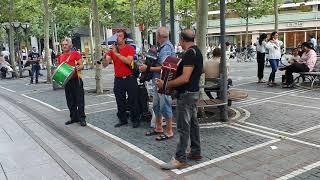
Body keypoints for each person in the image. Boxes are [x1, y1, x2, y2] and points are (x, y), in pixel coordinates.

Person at [157, 29, 203, 170]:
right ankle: (195, 151)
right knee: (194, 124)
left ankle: (180, 158)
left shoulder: (189, 54)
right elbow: (201, 71)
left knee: (183, 127)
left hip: (187, 95)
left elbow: (185, 77)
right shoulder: (198, 52)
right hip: (194, 93)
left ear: (182, 39)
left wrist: (166, 84)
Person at [140, 27, 175, 141]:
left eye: (156, 35)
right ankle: (159, 127)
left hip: (163, 81)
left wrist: (148, 68)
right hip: (158, 81)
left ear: (159, 36)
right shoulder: (163, 47)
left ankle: (169, 131)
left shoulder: (166, 48)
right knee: (156, 105)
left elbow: (165, 67)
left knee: (164, 105)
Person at [102, 30, 140, 128]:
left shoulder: (130, 48)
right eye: (117, 36)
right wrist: (104, 56)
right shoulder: (112, 50)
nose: (117, 37)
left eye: (120, 36)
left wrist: (117, 54)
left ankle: (135, 120)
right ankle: (122, 120)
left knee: (133, 100)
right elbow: (105, 65)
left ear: (125, 38)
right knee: (120, 100)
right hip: (118, 79)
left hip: (130, 78)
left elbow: (128, 61)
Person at [57, 38, 86, 126]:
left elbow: (82, 65)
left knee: (79, 100)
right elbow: (60, 70)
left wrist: (75, 68)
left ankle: (82, 118)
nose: (64, 46)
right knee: (70, 101)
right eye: (63, 45)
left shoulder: (75, 54)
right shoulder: (60, 56)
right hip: (67, 81)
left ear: (70, 45)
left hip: (76, 80)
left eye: (66, 44)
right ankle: (74, 118)